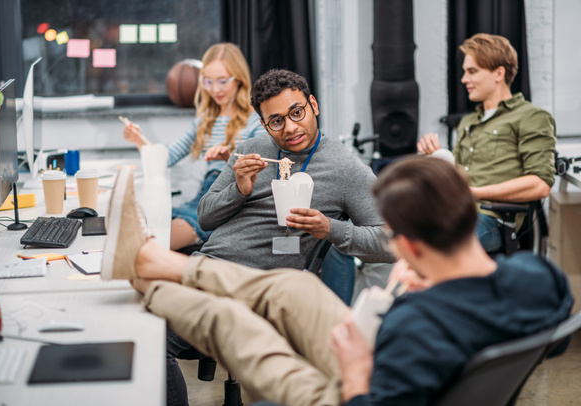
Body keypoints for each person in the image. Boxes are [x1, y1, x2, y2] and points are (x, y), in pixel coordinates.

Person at [100, 156, 573, 405]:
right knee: (296, 286)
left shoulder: (419, 323)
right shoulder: (539, 277)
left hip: (353, 390)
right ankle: (162, 262)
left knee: (233, 322)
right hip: (392, 355)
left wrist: (354, 370)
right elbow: (549, 341)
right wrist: (443, 285)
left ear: (406, 247)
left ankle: (146, 279)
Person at [196, 68, 394, 271]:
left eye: (297, 113)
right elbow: (204, 218)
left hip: (260, 282)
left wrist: (329, 228)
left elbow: (392, 242)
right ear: (265, 125)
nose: (290, 128)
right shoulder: (250, 151)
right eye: (276, 121)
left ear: (314, 106)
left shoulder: (345, 167)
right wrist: (238, 191)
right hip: (207, 262)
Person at [417, 33, 556, 253]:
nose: (464, 79)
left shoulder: (531, 117)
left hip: (493, 220)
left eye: (472, 71)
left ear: (498, 73)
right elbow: (458, 175)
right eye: (464, 72)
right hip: (454, 212)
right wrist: (436, 156)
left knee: (431, 247)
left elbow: (540, 184)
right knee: (379, 234)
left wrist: (475, 192)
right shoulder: (467, 121)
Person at [121, 42, 266, 252]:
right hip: (205, 199)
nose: (215, 89)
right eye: (208, 82)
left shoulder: (255, 121)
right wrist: (138, 140)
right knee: (138, 229)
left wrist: (229, 159)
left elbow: (262, 173)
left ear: (239, 79)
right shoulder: (205, 120)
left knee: (150, 246)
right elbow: (166, 158)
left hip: (231, 202)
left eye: (223, 81)